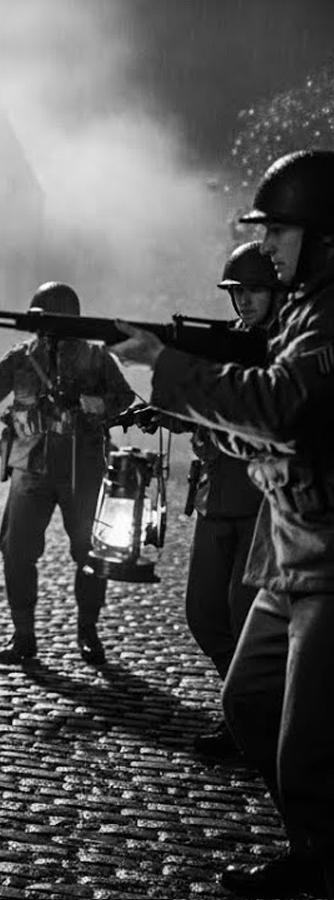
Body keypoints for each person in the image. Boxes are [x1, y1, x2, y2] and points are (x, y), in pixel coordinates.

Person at [112, 150, 334, 899]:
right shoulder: (303, 309)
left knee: (307, 746)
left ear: (324, 235)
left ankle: (321, 855)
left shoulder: (329, 315)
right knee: (247, 702)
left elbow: (280, 407)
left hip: (329, 553)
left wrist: (170, 367)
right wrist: (191, 401)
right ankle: (312, 842)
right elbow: (259, 431)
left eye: (279, 232)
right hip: (294, 549)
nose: (266, 246)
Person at [0, 282, 134, 666]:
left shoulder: (96, 359)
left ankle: (88, 630)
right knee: (16, 551)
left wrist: (91, 404)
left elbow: (124, 399)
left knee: (90, 553)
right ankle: (23, 634)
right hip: (30, 465)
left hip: (81, 466)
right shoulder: (22, 357)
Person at [184, 242, 285, 759]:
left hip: (261, 502)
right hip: (216, 496)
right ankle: (245, 708)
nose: (244, 299)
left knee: (245, 618)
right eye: (237, 291)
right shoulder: (227, 342)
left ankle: (247, 720)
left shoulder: (288, 349)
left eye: (255, 290)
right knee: (203, 614)